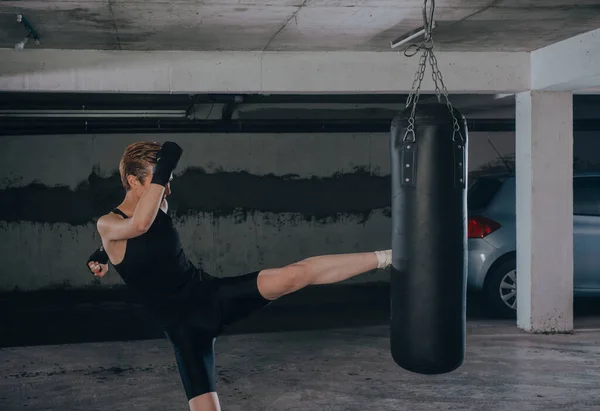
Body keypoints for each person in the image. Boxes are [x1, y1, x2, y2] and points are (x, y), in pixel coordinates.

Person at [86, 141, 392, 411]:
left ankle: (387, 257)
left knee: (293, 276)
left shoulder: (159, 206)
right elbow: (137, 226)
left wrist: (102, 255)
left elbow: (140, 234)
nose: (167, 189)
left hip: (210, 296)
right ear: (132, 181)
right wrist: (105, 251)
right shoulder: (108, 224)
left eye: (168, 181)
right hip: (183, 330)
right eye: (161, 181)